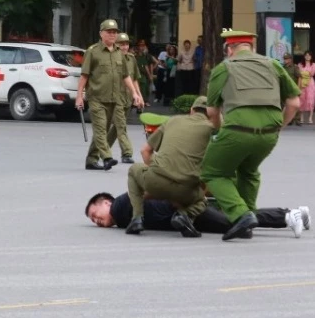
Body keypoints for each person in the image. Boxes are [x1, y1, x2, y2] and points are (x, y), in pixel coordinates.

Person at [199, 28, 301, 240]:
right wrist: (279, 126)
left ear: (229, 49)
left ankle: (241, 215)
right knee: (249, 170)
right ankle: (246, 221)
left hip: (237, 130)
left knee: (212, 172)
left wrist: (220, 130)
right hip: (269, 134)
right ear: (252, 47)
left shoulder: (224, 68)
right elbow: (294, 103)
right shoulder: (273, 65)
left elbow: (212, 111)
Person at [123, 96, 215, 237]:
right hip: (184, 189)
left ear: (191, 110)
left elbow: (145, 151)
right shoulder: (211, 130)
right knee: (201, 201)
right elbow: (209, 170)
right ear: (210, 114)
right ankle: (184, 215)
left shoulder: (173, 120)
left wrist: (158, 173)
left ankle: (137, 218)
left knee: (133, 170)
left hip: (155, 181)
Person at [85, 192, 309, 238]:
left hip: (185, 211)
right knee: (234, 218)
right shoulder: (123, 211)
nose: (97, 221)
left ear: (106, 202)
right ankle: (292, 214)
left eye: (95, 214)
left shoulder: (119, 207)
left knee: (234, 222)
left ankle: (288, 216)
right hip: (184, 212)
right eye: (93, 221)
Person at [76, 19, 143, 171]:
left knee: (103, 130)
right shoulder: (93, 51)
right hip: (97, 98)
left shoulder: (119, 53)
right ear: (101, 34)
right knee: (100, 129)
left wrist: (134, 93)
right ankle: (107, 157)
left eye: (114, 32)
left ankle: (91, 160)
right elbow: (84, 76)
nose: (112, 35)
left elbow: (126, 76)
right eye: (109, 32)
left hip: (114, 99)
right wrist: (79, 96)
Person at [111, 33, 142, 164]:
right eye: (121, 44)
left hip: (128, 98)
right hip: (115, 98)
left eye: (126, 44)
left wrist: (139, 95)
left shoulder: (131, 59)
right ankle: (127, 153)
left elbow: (134, 79)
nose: (124, 47)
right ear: (115, 45)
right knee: (121, 125)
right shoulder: (111, 58)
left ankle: (101, 149)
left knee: (116, 127)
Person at [135, 40, 157, 107]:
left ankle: (145, 101)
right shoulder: (135, 56)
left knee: (145, 88)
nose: (142, 47)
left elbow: (147, 66)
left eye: (143, 46)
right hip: (137, 74)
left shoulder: (146, 56)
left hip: (144, 74)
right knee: (139, 88)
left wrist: (150, 74)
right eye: (140, 46)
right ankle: (138, 101)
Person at [299, 51, 315, 125]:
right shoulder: (300, 64)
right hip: (302, 83)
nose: (308, 56)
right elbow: (300, 74)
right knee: (302, 99)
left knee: (310, 99)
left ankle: (310, 118)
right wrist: (306, 74)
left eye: (309, 55)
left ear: (311, 57)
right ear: (304, 56)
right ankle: (301, 118)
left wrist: (304, 73)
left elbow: (312, 74)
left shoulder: (313, 64)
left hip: (310, 83)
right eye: (306, 55)